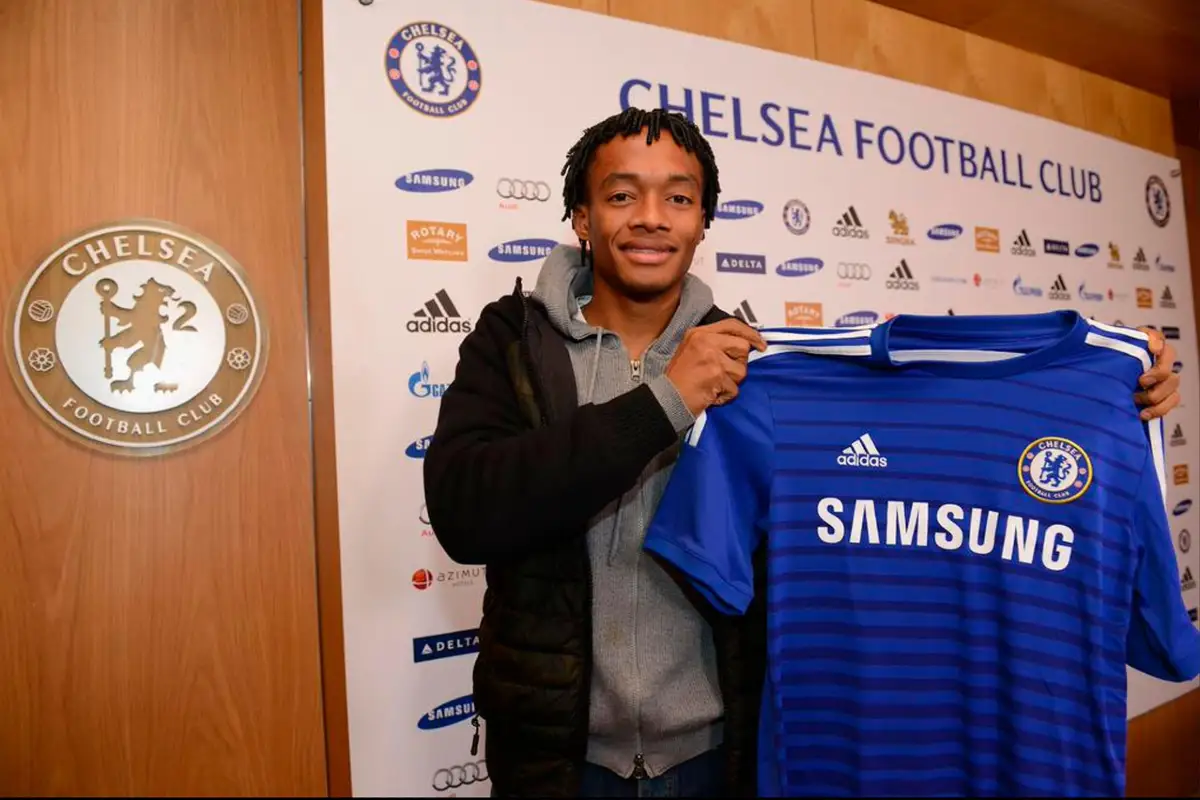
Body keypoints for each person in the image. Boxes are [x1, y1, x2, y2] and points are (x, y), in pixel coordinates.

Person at [422, 107, 1182, 798]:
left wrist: (1114, 387)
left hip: (720, 755)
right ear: (582, 219)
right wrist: (667, 401)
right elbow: (465, 511)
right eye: (622, 195)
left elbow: (908, 422)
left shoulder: (756, 367)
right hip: (556, 760)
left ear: (703, 221)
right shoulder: (514, 342)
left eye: (678, 198)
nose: (651, 217)